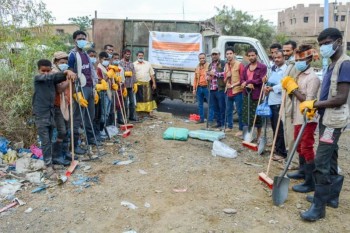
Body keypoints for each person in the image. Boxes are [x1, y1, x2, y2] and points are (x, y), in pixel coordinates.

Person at [298, 28, 350, 222]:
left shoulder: (344, 64)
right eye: (321, 44)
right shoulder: (331, 64)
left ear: (338, 41)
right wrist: (317, 108)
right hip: (326, 117)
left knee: (321, 161)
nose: (323, 47)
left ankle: (319, 207)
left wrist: (314, 103)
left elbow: (341, 98)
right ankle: (331, 197)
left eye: (326, 43)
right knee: (332, 157)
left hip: (334, 121)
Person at [282, 45, 320, 194]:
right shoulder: (299, 74)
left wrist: (293, 89)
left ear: (309, 59)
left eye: (301, 59)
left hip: (307, 119)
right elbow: (295, 97)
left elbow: (308, 101)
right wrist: (288, 88)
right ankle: (303, 171)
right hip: (297, 116)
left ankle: (310, 182)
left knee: (307, 147)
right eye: (297, 59)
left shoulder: (313, 78)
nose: (298, 62)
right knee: (299, 146)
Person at [33, 59, 76, 179]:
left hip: (50, 112)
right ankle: (48, 167)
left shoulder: (52, 78)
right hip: (41, 113)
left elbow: (59, 79)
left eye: (48, 70)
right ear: (39, 70)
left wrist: (68, 74)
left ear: (51, 69)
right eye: (43, 71)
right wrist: (66, 71)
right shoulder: (38, 78)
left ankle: (51, 161)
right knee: (45, 140)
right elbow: (52, 77)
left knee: (51, 137)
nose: (46, 73)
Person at [68, 30, 100, 154]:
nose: (82, 40)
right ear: (75, 40)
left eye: (84, 38)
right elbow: (70, 73)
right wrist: (76, 92)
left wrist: (95, 88)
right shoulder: (72, 55)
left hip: (89, 87)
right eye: (79, 38)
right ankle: (74, 145)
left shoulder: (86, 54)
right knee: (77, 118)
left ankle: (90, 139)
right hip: (79, 89)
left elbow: (91, 71)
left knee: (90, 116)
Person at [264, 49, 288, 161]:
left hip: (279, 101)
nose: (276, 60)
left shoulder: (286, 70)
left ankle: (281, 152)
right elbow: (272, 81)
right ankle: (276, 147)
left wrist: (272, 88)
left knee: (279, 128)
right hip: (272, 100)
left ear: (284, 57)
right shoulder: (275, 68)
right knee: (274, 127)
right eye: (275, 58)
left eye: (279, 57)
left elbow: (284, 84)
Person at [51, 52, 73, 166]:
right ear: (55, 62)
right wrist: (69, 80)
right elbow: (59, 89)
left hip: (66, 104)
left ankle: (66, 152)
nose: (64, 64)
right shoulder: (54, 73)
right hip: (57, 105)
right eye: (61, 62)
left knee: (67, 129)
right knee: (61, 131)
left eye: (65, 62)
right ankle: (57, 156)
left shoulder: (65, 72)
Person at [281, 40, 300, 170]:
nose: (285, 53)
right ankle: (289, 158)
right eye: (284, 50)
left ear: (294, 50)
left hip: (291, 106)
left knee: (292, 136)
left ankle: (294, 162)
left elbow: (295, 89)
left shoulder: (296, 65)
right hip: (284, 104)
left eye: (288, 51)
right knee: (287, 134)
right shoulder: (289, 64)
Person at [241, 48, 267, 141]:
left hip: (257, 94)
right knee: (247, 115)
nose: (251, 57)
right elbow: (242, 79)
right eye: (249, 56)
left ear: (256, 55)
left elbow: (261, 79)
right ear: (247, 57)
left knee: (258, 115)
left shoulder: (262, 67)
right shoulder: (246, 68)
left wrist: (249, 82)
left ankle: (259, 136)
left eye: (253, 55)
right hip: (247, 94)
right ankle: (248, 134)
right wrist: (245, 83)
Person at [224, 47, 244, 135]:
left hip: (237, 91)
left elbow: (243, 79)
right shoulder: (226, 65)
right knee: (228, 110)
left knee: (239, 111)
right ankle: (230, 126)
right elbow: (224, 79)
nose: (229, 55)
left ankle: (241, 129)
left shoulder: (239, 64)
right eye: (227, 54)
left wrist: (232, 85)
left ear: (234, 54)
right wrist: (227, 77)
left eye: (230, 53)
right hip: (228, 91)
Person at [133, 51, 157, 115]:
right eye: (139, 55)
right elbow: (133, 75)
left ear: (144, 56)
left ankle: (149, 110)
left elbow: (151, 74)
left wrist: (154, 83)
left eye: (142, 55)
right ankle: (139, 110)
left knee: (148, 98)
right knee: (139, 98)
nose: (141, 57)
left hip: (147, 84)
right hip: (138, 84)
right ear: (137, 56)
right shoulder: (134, 64)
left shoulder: (148, 64)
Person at [208, 48, 226, 129]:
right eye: (213, 54)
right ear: (211, 56)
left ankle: (223, 124)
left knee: (222, 107)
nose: (214, 56)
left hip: (220, 88)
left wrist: (215, 73)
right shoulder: (210, 64)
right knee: (215, 108)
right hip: (212, 89)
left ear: (219, 55)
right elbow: (208, 74)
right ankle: (218, 123)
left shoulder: (223, 63)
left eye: (216, 54)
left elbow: (225, 73)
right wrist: (207, 76)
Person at [119, 49, 137, 121]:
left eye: (129, 54)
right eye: (127, 54)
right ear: (124, 54)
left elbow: (134, 73)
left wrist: (135, 83)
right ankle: (124, 118)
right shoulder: (120, 63)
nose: (128, 55)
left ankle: (132, 117)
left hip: (130, 86)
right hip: (124, 86)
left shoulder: (131, 63)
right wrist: (124, 73)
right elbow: (118, 73)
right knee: (125, 103)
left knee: (132, 102)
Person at [192, 53, 209, 123]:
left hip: (207, 88)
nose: (202, 59)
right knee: (200, 104)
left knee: (210, 104)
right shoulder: (197, 67)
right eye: (200, 58)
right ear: (199, 59)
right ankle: (201, 119)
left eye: (203, 58)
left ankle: (210, 120)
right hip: (199, 88)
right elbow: (195, 79)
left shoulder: (209, 66)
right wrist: (194, 89)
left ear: (205, 58)